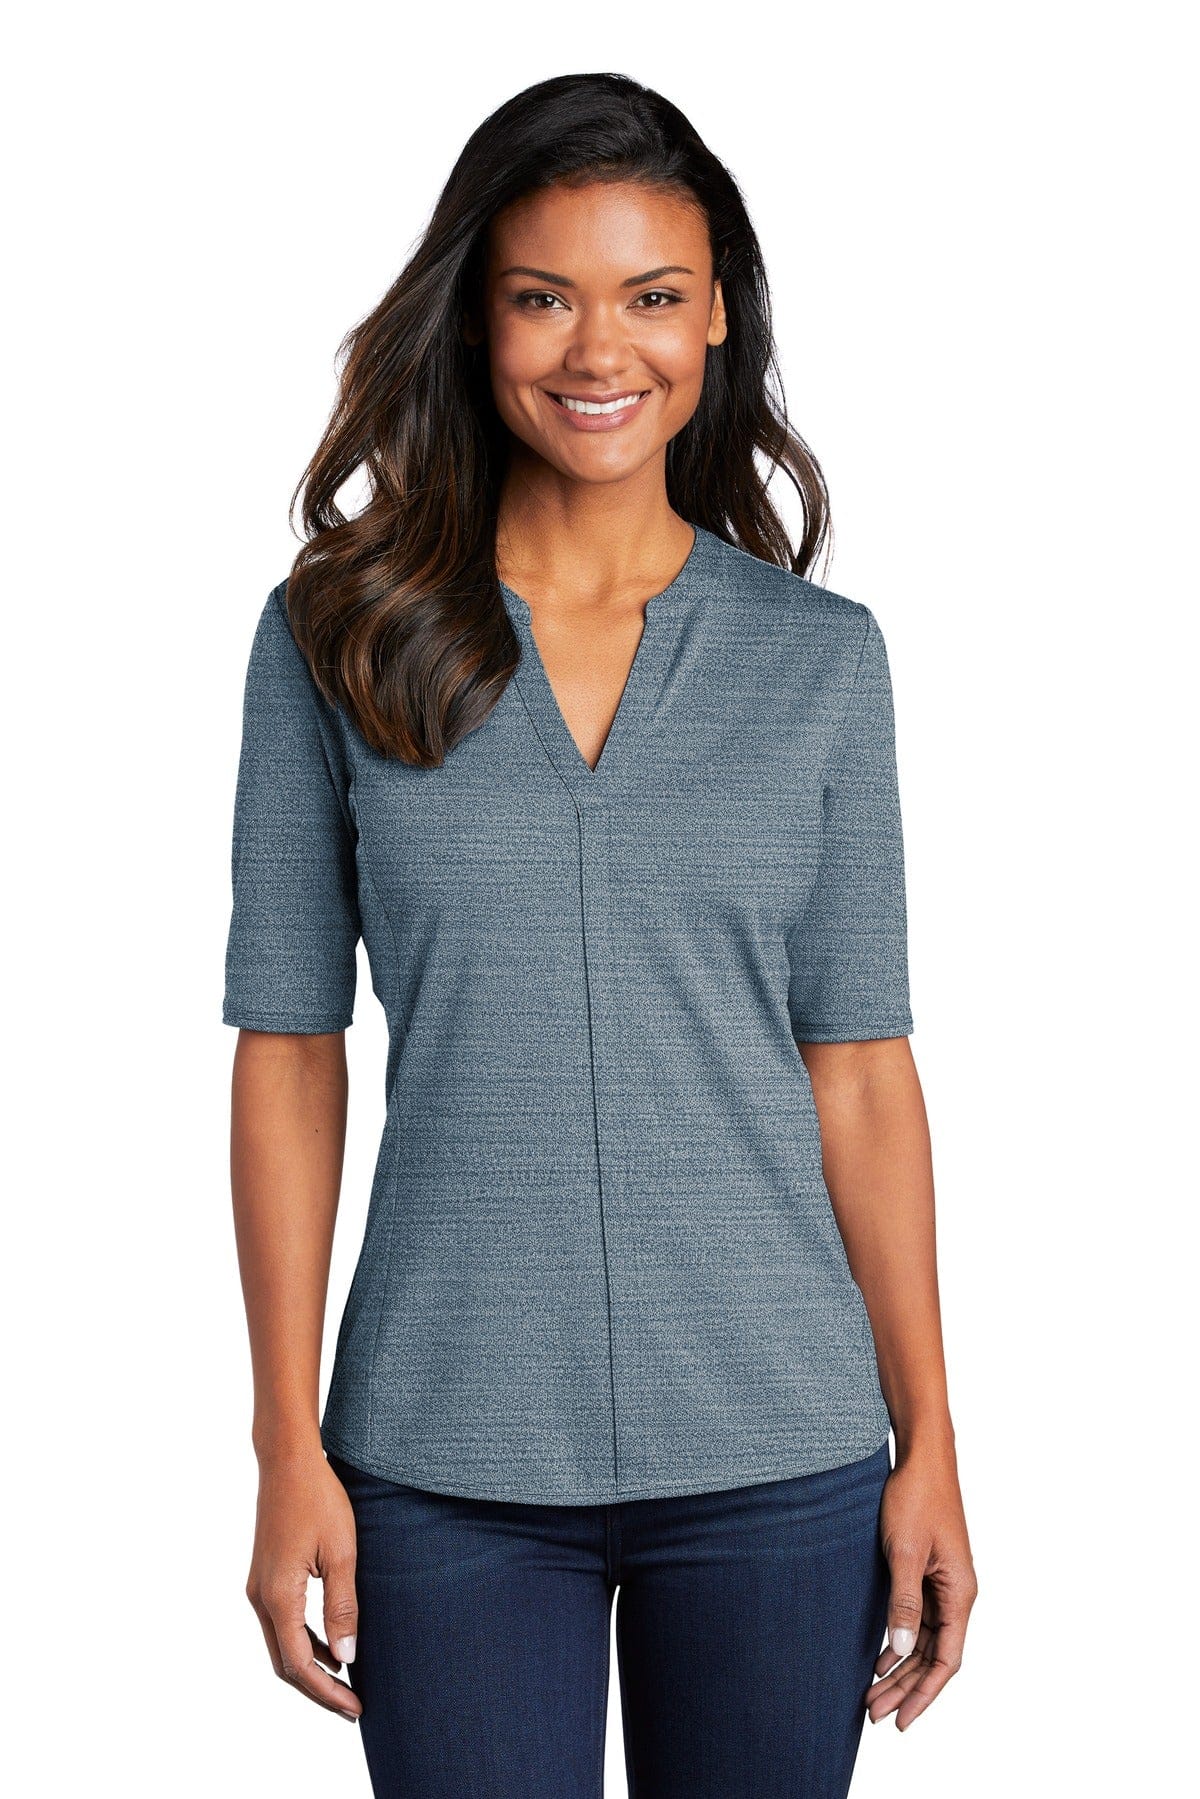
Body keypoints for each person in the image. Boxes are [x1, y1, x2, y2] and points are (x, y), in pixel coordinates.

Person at [224, 71, 977, 1799]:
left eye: (650, 295)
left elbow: (862, 1067)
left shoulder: (820, 661)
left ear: (715, 317)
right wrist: (283, 1445)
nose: (598, 350)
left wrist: (931, 1435)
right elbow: (287, 1048)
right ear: (474, 317)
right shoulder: (337, 637)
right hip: (440, 1455)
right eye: (542, 296)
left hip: (781, 1449)